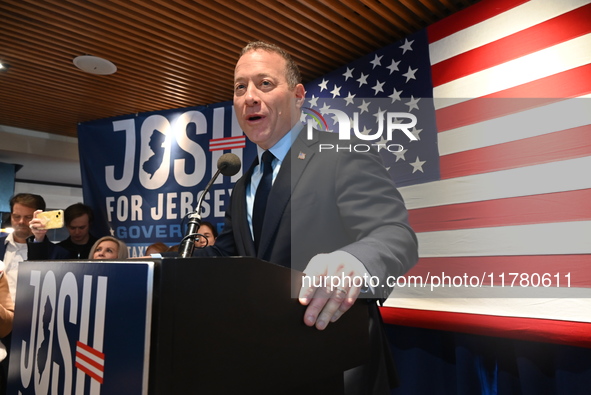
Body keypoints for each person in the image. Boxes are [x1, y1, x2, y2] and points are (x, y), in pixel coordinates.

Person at [189, 41, 419, 394]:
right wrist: (160, 265)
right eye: (239, 87)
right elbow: (228, 256)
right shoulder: (243, 183)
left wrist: (351, 261)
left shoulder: (342, 153)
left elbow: (395, 235)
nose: (249, 96)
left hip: (337, 365)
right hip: (264, 363)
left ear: (298, 95)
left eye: (264, 83)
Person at [27, 203, 99, 260]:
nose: (77, 232)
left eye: (82, 227)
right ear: (66, 226)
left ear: (89, 225)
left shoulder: (100, 248)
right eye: (72, 228)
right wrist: (39, 237)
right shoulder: (58, 249)